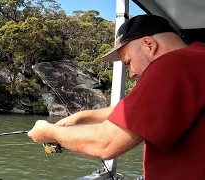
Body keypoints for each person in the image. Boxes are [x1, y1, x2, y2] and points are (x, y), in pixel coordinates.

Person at [28, 14, 205, 179]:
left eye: (128, 63)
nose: (132, 73)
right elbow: (138, 111)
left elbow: (105, 143)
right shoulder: (195, 61)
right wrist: (84, 116)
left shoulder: (171, 65)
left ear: (149, 45)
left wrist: (49, 132)